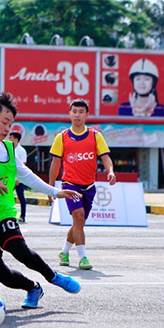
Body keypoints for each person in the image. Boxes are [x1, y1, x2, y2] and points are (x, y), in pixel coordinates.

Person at [0, 92, 82, 308]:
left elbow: (26, 175)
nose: (8, 129)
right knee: (3, 275)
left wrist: (55, 192)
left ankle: (52, 276)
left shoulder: (8, 149)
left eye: (11, 124)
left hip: (3, 214)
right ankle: (32, 288)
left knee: (19, 250)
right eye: (4, 122)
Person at [48, 99, 116, 270]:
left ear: (87, 114)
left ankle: (64, 252)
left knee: (79, 223)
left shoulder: (95, 136)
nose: (77, 115)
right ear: (69, 113)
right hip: (70, 185)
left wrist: (111, 171)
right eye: (74, 111)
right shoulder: (61, 137)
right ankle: (83, 257)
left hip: (89, 187)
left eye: (81, 111)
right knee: (78, 217)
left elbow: (106, 157)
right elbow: (55, 164)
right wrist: (50, 187)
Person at [8, 132, 27, 222]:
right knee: (8, 196)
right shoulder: (8, 149)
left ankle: (23, 216)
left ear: (16, 139)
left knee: (21, 197)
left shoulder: (21, 151)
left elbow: (23, 166)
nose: (9, 139)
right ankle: (10, 215)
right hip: (10, 178)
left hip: (19, 180)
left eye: (11, 137)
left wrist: (17, 179)